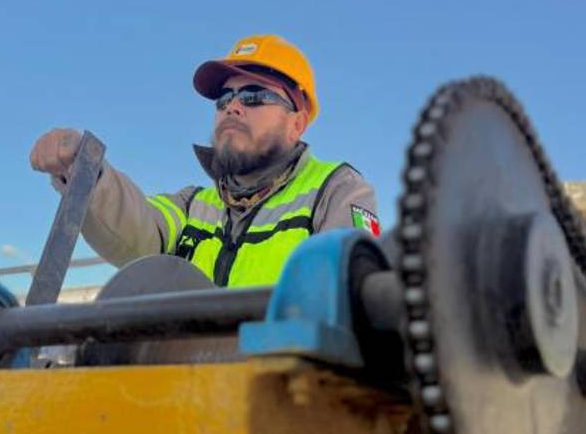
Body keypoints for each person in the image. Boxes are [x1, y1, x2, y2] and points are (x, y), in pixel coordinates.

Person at [29, 34, 379, 287]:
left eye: (254, 95)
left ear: (296, 123)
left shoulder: (337, 190)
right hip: (192, 383)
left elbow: (350, 296)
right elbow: (138, 231)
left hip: (287, 385)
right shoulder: (193, 204)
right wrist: (87, 172)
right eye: (224, 98)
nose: (233, 105)